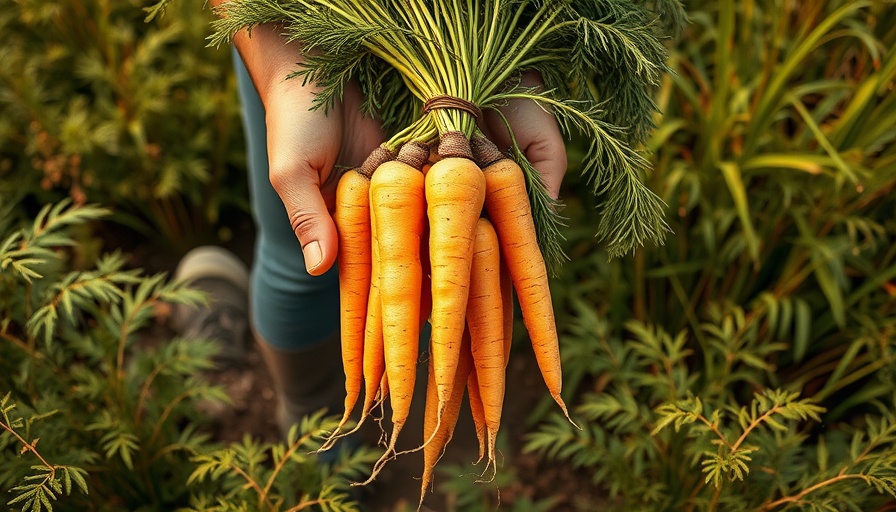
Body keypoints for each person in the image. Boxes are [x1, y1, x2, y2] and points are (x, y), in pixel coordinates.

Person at [174, 7, 569, 438]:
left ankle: (384, 419)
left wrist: (509, 63)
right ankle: (313, 424)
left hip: (476, 66)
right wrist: (284, 65)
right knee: (309, 256)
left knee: (429, 271)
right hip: (308, 27)